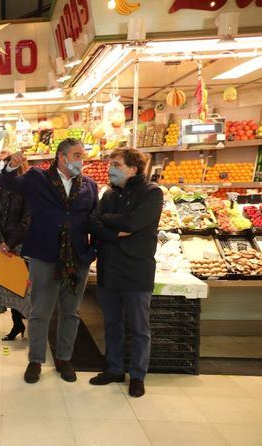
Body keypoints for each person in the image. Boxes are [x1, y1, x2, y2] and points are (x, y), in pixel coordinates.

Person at [1, 138, 98, 384]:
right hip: (44, 255)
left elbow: (95, 220)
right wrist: (11, 165)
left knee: (70, 312)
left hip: (77, 258)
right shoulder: (37, 179)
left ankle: (65, 358)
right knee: (39, 311)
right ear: (61, 157)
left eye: (82, 156)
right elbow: (7, 182)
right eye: (77, 155)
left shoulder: (89, 186)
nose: (81, 160)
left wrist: (93, 251)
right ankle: (35, 360)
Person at [88, 148, 163, 398]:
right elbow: (93, 222)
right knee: (112, 323)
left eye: (117, 164)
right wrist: (112, 227)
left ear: (133, 168)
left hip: (136, 269)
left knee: (140, 327)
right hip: (109, 266)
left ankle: (138, 375)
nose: (111, 168)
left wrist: (108, 220)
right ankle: (114, 369)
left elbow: (134, 223)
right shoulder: (109, 193)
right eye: (111, 164)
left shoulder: (152, 193)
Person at [0, 150, 31, 338]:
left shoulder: (28, 189)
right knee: (8, 285)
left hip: (21, 245)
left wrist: (10, 243)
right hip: (3, 244)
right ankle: (17, 324)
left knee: (23, 289)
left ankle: (28, 325)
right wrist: (0, 242)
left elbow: (27, 220)